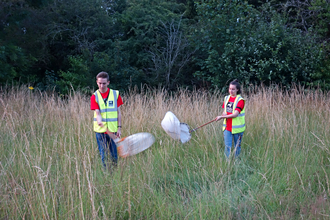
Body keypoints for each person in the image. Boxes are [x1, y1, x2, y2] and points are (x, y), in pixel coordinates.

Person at [90, 72, 123, 166]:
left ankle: (114, 175)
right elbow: (97, 112)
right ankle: (105, 175)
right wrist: (99, 120)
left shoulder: (115, 94)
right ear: (97, 82)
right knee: (104, 156)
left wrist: (119, 128)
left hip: (113, 131)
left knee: (114, 156)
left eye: (104, 83)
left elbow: (119, 113)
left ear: (108, 82)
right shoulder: (94, 96)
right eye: (99, 83)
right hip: (100, 132)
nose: (102, 85)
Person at [215, 79, 245, 158]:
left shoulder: (240, 100)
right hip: (227, 127)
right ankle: (227, 165)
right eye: (229, 89)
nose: (231, 91)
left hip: (237, 128)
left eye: (233, 89)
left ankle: (237, 164)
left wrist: (222, 117)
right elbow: (225, 111)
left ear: (237, 90)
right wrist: (223, 115)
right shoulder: (226, 98)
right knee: (227, 147)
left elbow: (235, 114)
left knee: (237, 147)